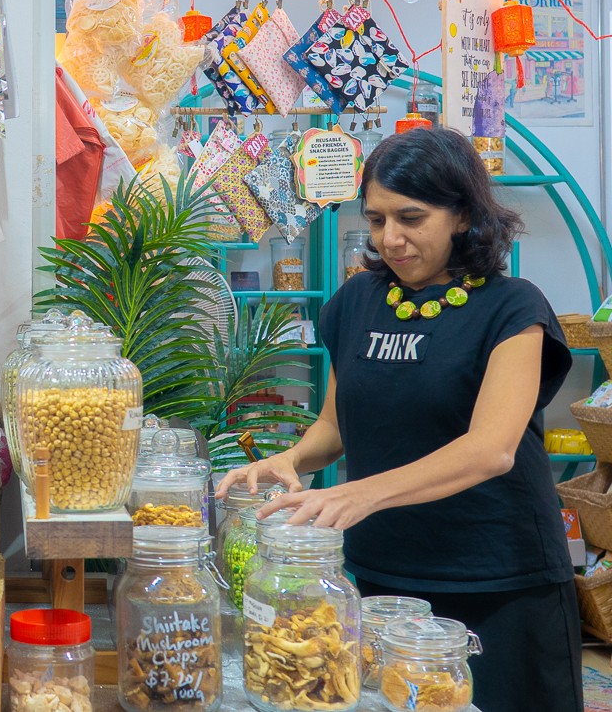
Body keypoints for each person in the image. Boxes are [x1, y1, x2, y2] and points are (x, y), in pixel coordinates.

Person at [217, 127, 581, 712]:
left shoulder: (513, 308)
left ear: (462, 216)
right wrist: (287, 460)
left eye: (412, 218)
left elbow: (492, 449)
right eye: (378, 219)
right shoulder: (357, 301)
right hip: (381, 578)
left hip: (498, 580)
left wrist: (361, 495)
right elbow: (335, 427)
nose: (392, 238)